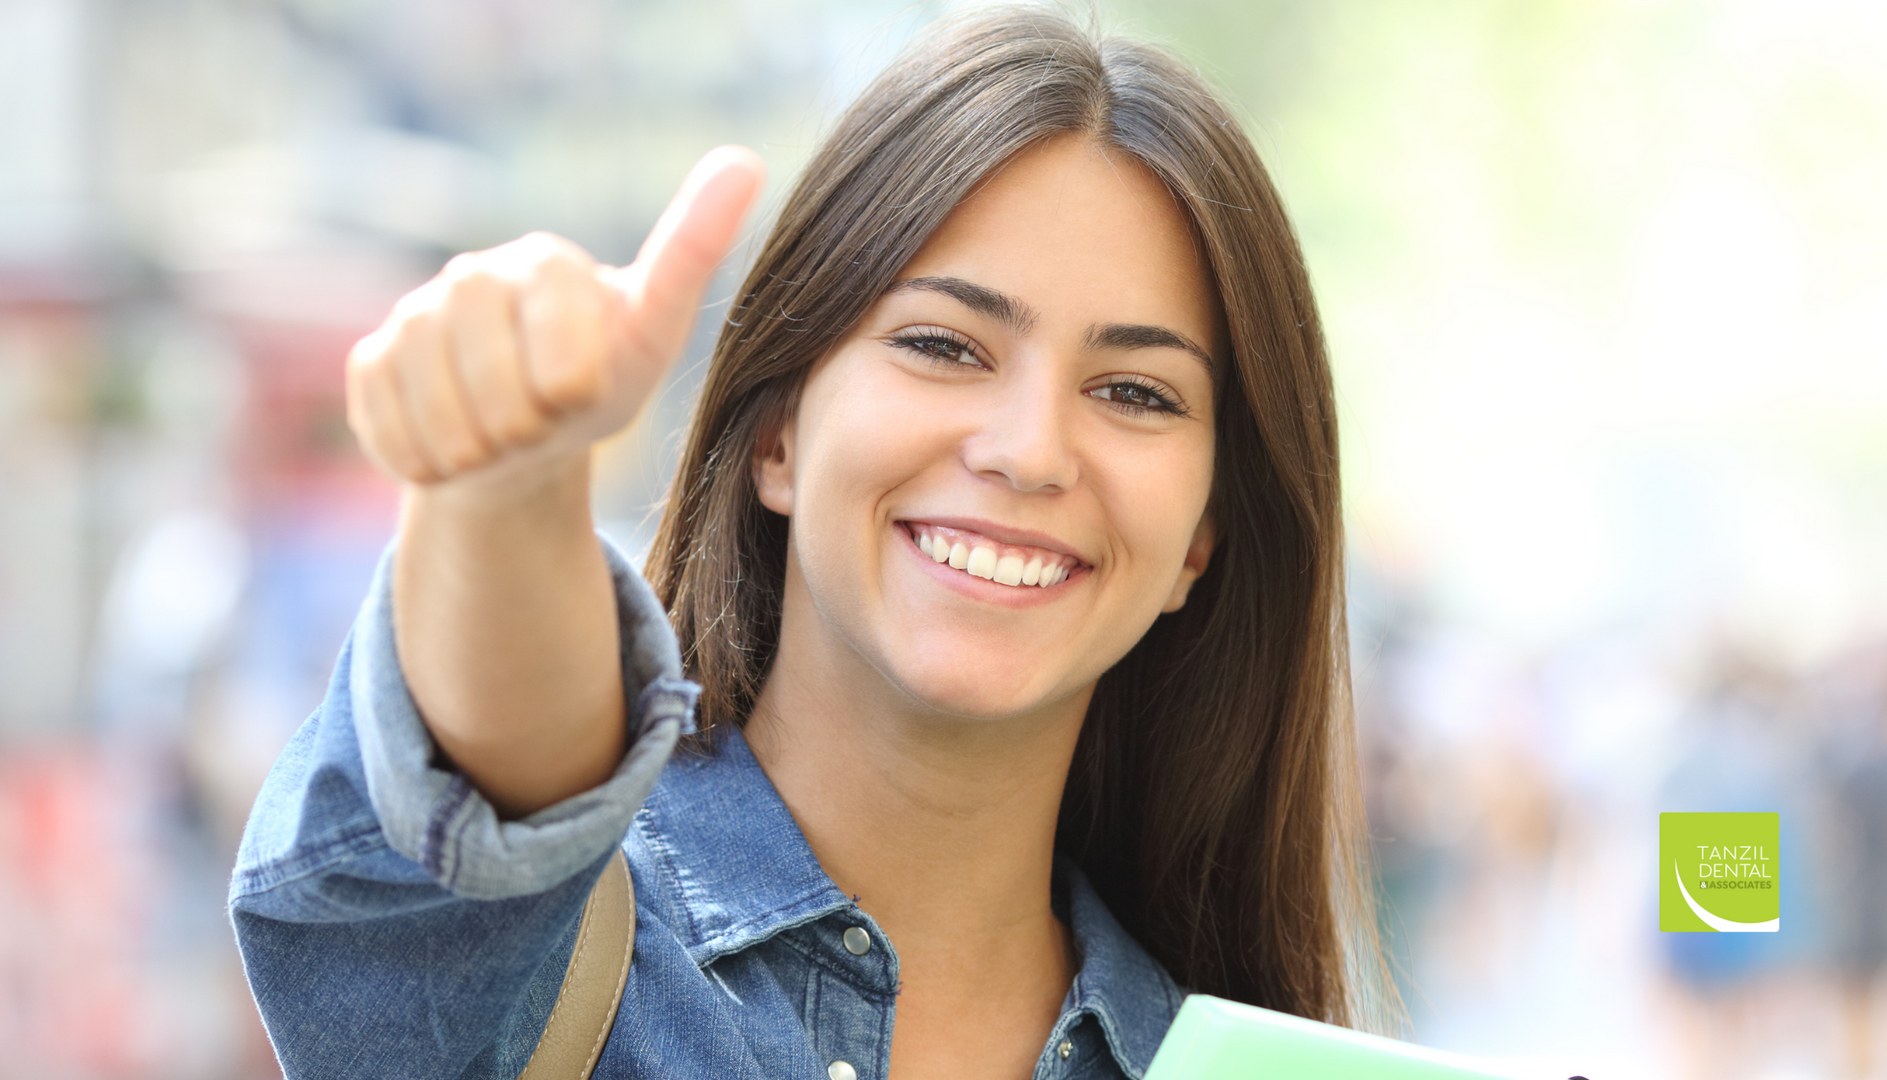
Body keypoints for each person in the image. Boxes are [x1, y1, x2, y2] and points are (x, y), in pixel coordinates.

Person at [228, 8, 1390, 1078]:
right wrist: (511, 487)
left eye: (1135, 392)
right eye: (944, 345)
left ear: (1201, 539)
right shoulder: (548, 978)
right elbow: (498, 801)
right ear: (778, 433)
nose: (1030, 451)